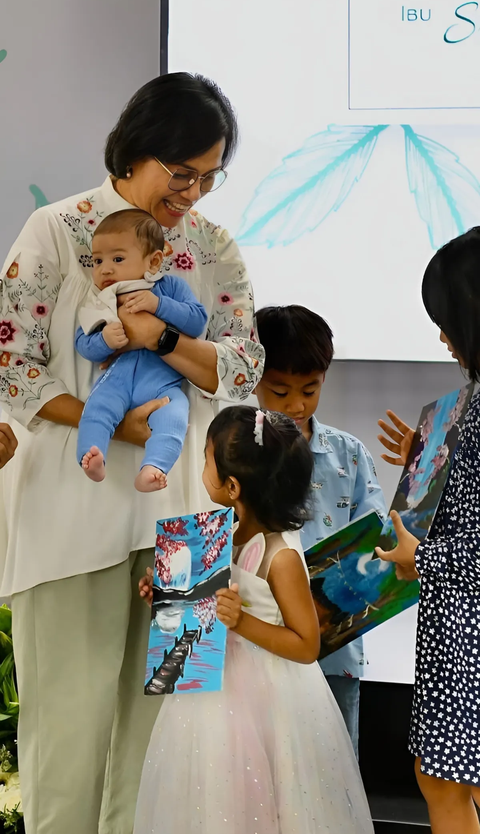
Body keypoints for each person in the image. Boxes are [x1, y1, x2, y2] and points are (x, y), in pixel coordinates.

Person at [0, 73, 264, 834]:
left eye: (211, 178)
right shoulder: (57, 229)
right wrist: (120, 426)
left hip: (189, 525)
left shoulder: (213, 249)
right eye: (183, 173)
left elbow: (244, 369)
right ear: (137, 150)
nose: (194, 193)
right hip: (70, 519)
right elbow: (13, 366)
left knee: (173, 751)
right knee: (68, 740)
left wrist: (171, 340)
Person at [136, 405, 375, 834]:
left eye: (206, 458)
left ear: (231, 485)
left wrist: (243, 623)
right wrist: (167, 592)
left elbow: (306, 645)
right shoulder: (221, 530)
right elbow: (202, 601)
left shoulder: (280, 556)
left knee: (270, 794)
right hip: (209, 686)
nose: (202, 466)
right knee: (212, 795)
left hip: (268, 696)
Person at [376, 227, 480, 834]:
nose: (442, 336)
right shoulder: (471, 398)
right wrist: (430, 454)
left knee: (448, 776)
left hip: (466, 620)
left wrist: (428, 557)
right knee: (442, 775)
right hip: (453, 618)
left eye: (448, 318)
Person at [254, 305, 386, 758]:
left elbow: (378, 546)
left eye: (310, 390)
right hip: (253, 648)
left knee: (332, 770)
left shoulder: (349, 454)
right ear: (252, 374)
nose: (296, 404)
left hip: (333, 652)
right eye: (280, 391)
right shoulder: (231, 451)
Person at [76, 209, 207, 491]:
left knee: (174, 417)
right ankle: (92, 456)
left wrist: (158, 306)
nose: (105, 268)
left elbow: (197, 322)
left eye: (118, 259)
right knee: (96, 410)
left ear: (154, 260)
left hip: (164, 384)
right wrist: (105, 342)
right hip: (117, 381)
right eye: (97, 261)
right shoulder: (102, 299)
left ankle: (153, 467)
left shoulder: (169, 287)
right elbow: (83, 343)